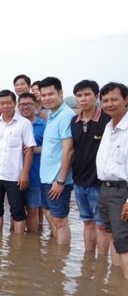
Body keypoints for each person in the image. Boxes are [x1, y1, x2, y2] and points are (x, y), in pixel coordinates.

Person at [0, 90, 35, 233]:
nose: (5, 106)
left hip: (15, 176)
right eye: (2, 103)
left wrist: (25, 174)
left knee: (17, 211)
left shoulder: (24, 124)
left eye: (8, 103)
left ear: (14, 104)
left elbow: (29, 149)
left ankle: (18, 246)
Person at [71, 80, 112, 254]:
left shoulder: (107, 120)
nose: (83, 99)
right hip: (79, 182)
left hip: (99, 183)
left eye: (87, 95)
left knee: (102, 226)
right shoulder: (75, 121)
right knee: (87, 222)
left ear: (97, 97)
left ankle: (102, 263)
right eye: (79, 95)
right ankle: (88, 259)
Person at [96, 82, 128, 278]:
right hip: (106, 189)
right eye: (105, 100)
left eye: (114, 99)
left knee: (124, 241)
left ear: (126, 100)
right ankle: (118, 286)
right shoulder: (109, 126)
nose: (109, 104)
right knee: (114, 237)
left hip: (122, 192)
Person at [39, 76, 75, 246]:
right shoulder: (52, 115)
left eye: (51, 94)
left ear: (60, 92)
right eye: (43, 95)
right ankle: (54, 254)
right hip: (46, 178)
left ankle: (60, 261)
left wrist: (61, 180)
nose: (47, 98)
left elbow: (69, 149)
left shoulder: (66, 115)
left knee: (60, 221)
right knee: (48, 213)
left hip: (57, 180)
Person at [18, 92, 46, 232]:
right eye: (22, 104)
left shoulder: (43, 125)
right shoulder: (13, 123)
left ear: (35, 105)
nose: (25, 107)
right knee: (16, 209)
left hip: (35, 175)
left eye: (29, 104)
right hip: (14, 175)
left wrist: (32, 149)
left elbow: (52, 148)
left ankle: (33, 244)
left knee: (33, 210)